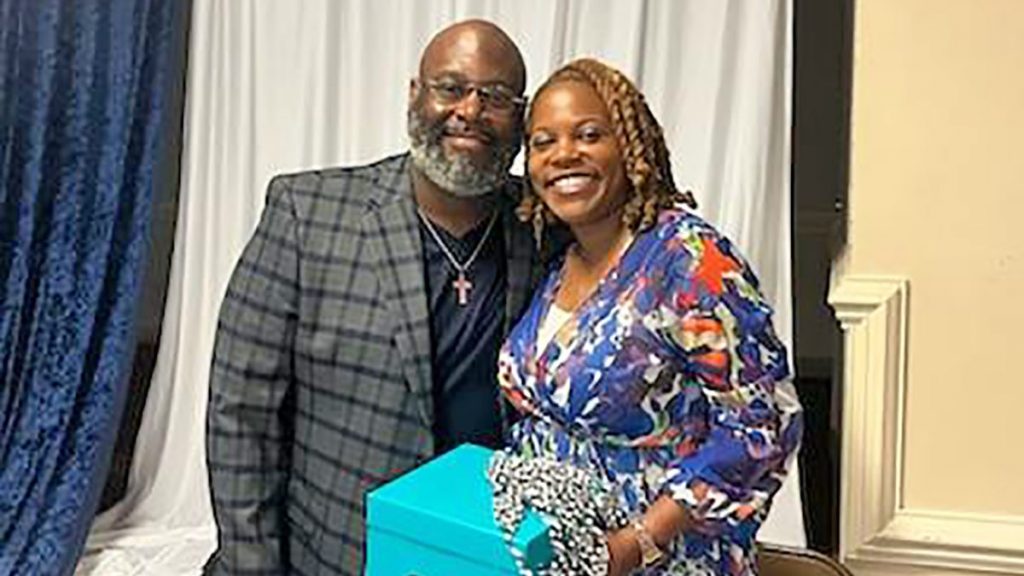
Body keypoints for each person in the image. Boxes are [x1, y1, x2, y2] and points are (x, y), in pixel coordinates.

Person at [204, 20, 539, 575]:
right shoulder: (307, 212)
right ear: (415, 93)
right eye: (451, 87)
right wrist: (251, 565)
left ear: (522, 118)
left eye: (496, 96)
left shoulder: (545, 225)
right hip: (335, 554)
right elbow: (240, 411)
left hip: (485, 551)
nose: (471, 110)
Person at [498, 58, 804, 575]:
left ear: (629, 144)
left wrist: (638, 541)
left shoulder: (687, 260)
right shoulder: (560, 260)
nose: (563, 154)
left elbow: (763, 423)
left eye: (588, 134)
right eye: (543, 142)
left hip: (662, 558)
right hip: (558, 551)